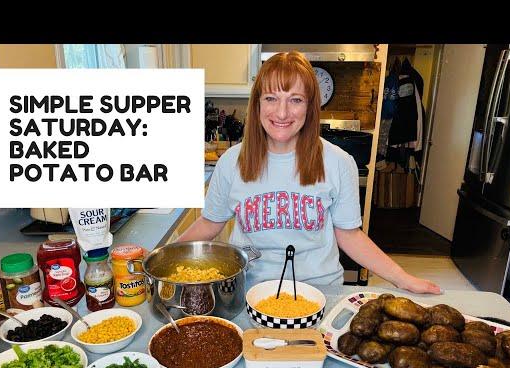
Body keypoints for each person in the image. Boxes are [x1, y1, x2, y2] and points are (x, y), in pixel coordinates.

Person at [178, 51, 441, 295]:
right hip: (250, 292)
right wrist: (160, 255)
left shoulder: (338, 162)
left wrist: (401, 278)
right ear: (257, 103)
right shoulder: (231, 162)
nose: (282, 112)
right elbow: (210, 223)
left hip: (320, 293)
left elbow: (349, 235)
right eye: (271, 98)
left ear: (310, 107)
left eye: (295, 100)